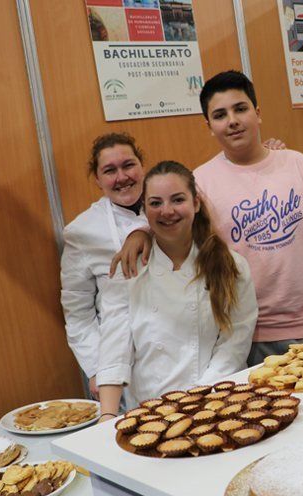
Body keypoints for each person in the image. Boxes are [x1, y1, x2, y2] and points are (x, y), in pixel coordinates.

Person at [115, 70, 303, 367]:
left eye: (240, 109)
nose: (233, 121)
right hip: (245, 337)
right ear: (209, 126)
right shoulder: (200, 181)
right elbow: (168, 214)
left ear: (258, 113)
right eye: (220, 115)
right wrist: (140, 231)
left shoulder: (298, 165)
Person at [96, 161, 257, 418]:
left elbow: (234, 345)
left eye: (177, 200)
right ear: (144, 210)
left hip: (214, 404)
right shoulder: (129, 268)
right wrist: (107, 416)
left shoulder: (231, 266)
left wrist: (199, 397)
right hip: (149, 411)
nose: (167, 211)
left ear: (195, 203)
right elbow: (115, 345)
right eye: (156, 203)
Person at [60, 133, 148, 398]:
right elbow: (77, 310)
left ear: (142, 166)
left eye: (128, 165)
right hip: (124, 362)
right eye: (110, 171)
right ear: (98, 180)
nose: (121, 177)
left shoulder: (170, 207)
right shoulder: (82, 230)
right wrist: (98, 368)